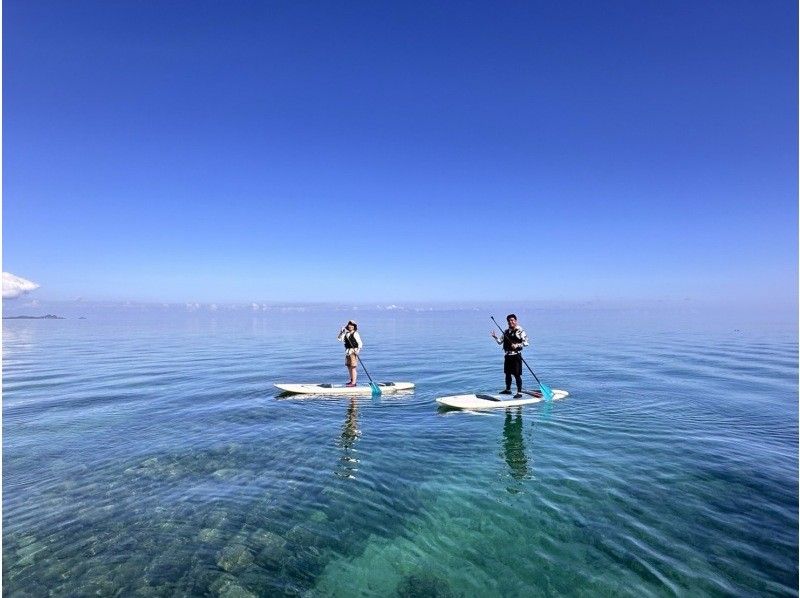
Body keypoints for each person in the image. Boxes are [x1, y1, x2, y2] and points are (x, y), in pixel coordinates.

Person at [490, 313, 529, 398]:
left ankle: (519, 392)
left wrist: (517, 345)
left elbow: (526, 343)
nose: (510, 322)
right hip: (507, 356)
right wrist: (495, 337)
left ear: (515, 321)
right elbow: (500, 342)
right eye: (509, 321)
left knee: (517, 374)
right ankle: (508, 390)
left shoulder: (520, 331)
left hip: (516, 356)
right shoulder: (506, 331)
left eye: (512, 320)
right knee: (507, 373)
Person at [337, 320, 363, 387]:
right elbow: (340, 339)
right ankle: (351, 381)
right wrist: (341, 332)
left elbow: (360, 343)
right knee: (349, 367)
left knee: (353, 367)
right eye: (349, 325)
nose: (350, 326)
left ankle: (354, 383)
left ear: (354, 327)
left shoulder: (356, 333)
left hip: (353, 352)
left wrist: (358, 351)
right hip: (348, 352)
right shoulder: (346, 333)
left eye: (352, 325)